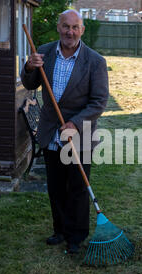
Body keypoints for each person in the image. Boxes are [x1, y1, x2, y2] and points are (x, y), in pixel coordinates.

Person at [21, 9, 109, 254]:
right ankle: (59, 230)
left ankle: (76, 236)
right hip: (51, 130)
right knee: (56, 186)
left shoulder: (95, 61)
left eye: (75, 27)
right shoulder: (45, 52)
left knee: (78, 188)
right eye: (65, 26)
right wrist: (28, 67)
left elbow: (99, 101)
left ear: (82, 30)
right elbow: (30, 84)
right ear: (58, 27)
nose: (70, 32)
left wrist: (75, 123)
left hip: (80, 133)